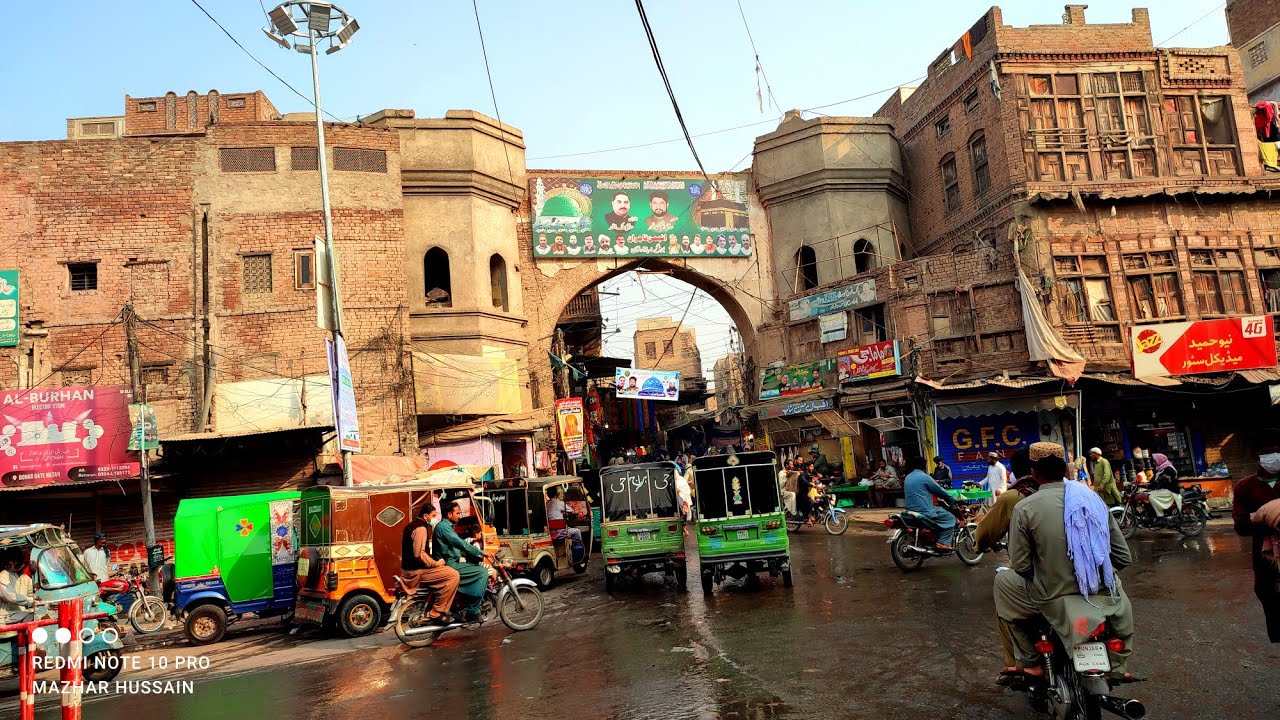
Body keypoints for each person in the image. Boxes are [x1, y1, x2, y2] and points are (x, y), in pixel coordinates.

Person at [993, 452, 1135, 685]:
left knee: (1002, 582)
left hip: (1051, 593)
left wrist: (1047, 576)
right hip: (1101, 593)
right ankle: (1117, 666)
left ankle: (1030, 662)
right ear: (1066, 473)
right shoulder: (1093, 501)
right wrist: (1094, 576)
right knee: (1116, 589)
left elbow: (1020, 564)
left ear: (1035, 474)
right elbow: (1122, 557)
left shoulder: (1025, 507)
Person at [1232, 428, 1280, 642]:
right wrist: (1266, 516)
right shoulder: (1245, 486)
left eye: (1279, 450)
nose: (1275, 456)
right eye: (1269, 451)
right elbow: (1241, 527)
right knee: (1275, 609)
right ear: (1258, 456)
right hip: (1265, 562)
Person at [400, 503, 461, 624]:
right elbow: (419, 554)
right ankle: (437, 611)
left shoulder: (410, 526)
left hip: (408, 570)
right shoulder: (421, 528)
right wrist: (436, 564)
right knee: (453, 575)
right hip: (417, 572)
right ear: (425, 516)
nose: (434, 519)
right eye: (433, 516)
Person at [432, 500, 490, 621]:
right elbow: (460, 544)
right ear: (449, 515)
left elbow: (457, 548)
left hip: (453, 562)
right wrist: (482, 552)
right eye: (457, 513)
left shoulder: (447, 527)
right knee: (483, 572)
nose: (459, 516)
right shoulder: (443, 528)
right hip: (450, 565)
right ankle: (472, 610)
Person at [903, 456, 958, 551]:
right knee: (950, 518)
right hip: (924, 510)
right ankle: (943, 543)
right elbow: (939, 490)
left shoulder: (908, 477)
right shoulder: (925, 477)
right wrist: (952, 499)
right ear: (924, 466)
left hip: (910, 510)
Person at [546, 486, 584, 564]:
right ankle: (577, 556)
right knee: (577, 532)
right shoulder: (559, 503)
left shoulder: (546, 504)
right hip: (560, 531)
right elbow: (572, 511)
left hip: (550, 532)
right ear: (557, 494)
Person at [0, 548, 34, 626]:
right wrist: (32, 600)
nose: (11, 564)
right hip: (6, 616)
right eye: (10, 562)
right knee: (31, 617)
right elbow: (11, 597)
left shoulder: (25, 577)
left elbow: (32, 593)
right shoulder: (2, 576)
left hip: (21, 613)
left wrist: (37, 600)